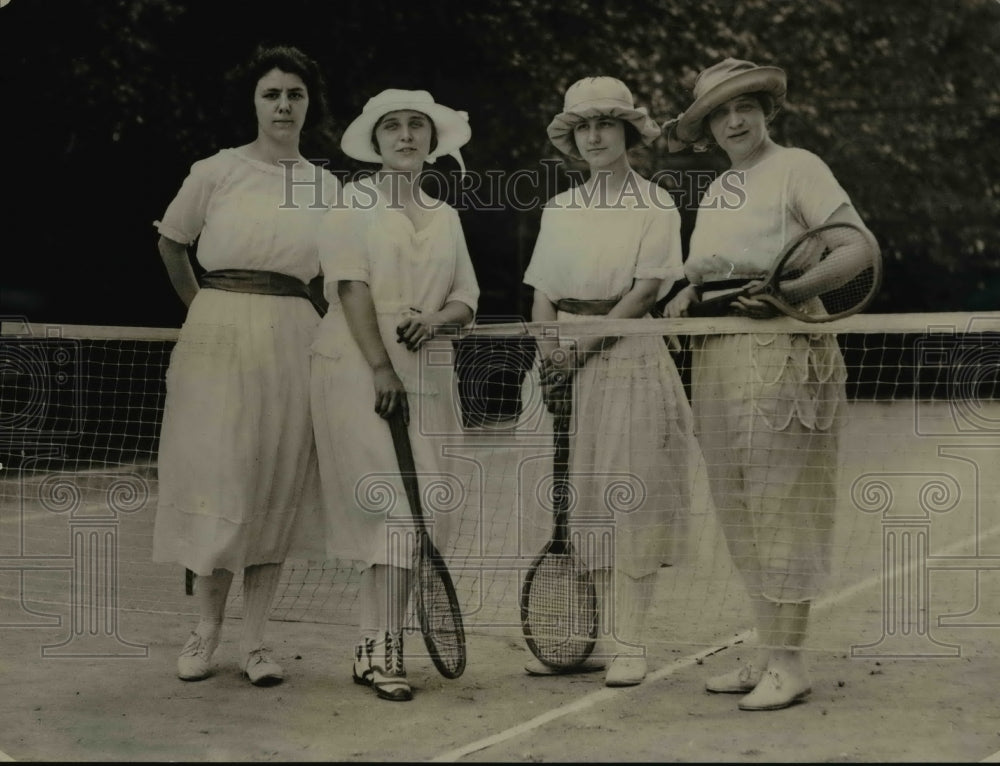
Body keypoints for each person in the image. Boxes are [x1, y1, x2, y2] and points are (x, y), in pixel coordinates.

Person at [664, 58, 879, 710]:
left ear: (766, 111)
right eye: (721, 113)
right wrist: (684, 293)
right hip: (717, 355)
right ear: (708, 126)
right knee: (738, 505)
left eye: (746, 107)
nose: (735, 121)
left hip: (784, 351)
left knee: (783, 501)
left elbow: (858, 250)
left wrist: (792, 292)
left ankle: (790, 661)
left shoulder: (799, 167)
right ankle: (766, 651)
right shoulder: (718, 188)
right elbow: (707, 273)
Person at [152, 44, 340, 686]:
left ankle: (256, 643)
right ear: (254, 103)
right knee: (219, 478)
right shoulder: (217, 170)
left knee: (275, 484)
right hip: (218, 332)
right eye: (271, 94)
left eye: (295, 94)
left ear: (310, 104)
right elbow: (172, 242)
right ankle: (205, 632)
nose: (284, 105)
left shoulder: (326, 186)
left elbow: (340, 276)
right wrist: (204, 310)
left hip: (293, 334)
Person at [522, 76, 694, 687]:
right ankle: (591, 637)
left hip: (627, 356)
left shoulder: (656, 203)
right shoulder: (559, 208)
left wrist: (580, 349)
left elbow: (645, 292)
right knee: (582, 498)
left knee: (630, 495)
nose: (594, 137)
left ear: (627, 132)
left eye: (605, 125)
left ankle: (629, 641)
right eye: (584, 127)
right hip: (562, 361)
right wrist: (551, 353)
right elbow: (542, 293)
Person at [311, 89, 479, 702]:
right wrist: (382, 367)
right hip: (360, 365)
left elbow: (467, 298)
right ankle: (383, 649)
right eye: (392, 127)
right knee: (395, 511)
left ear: (432, 141)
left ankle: (373, 646)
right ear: (376, 140)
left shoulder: (446, 215)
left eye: (416, 126)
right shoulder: (351, 202)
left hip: (429, 369)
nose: (406, 136)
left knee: (419, 510)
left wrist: (435, 320)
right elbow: (349, 287)